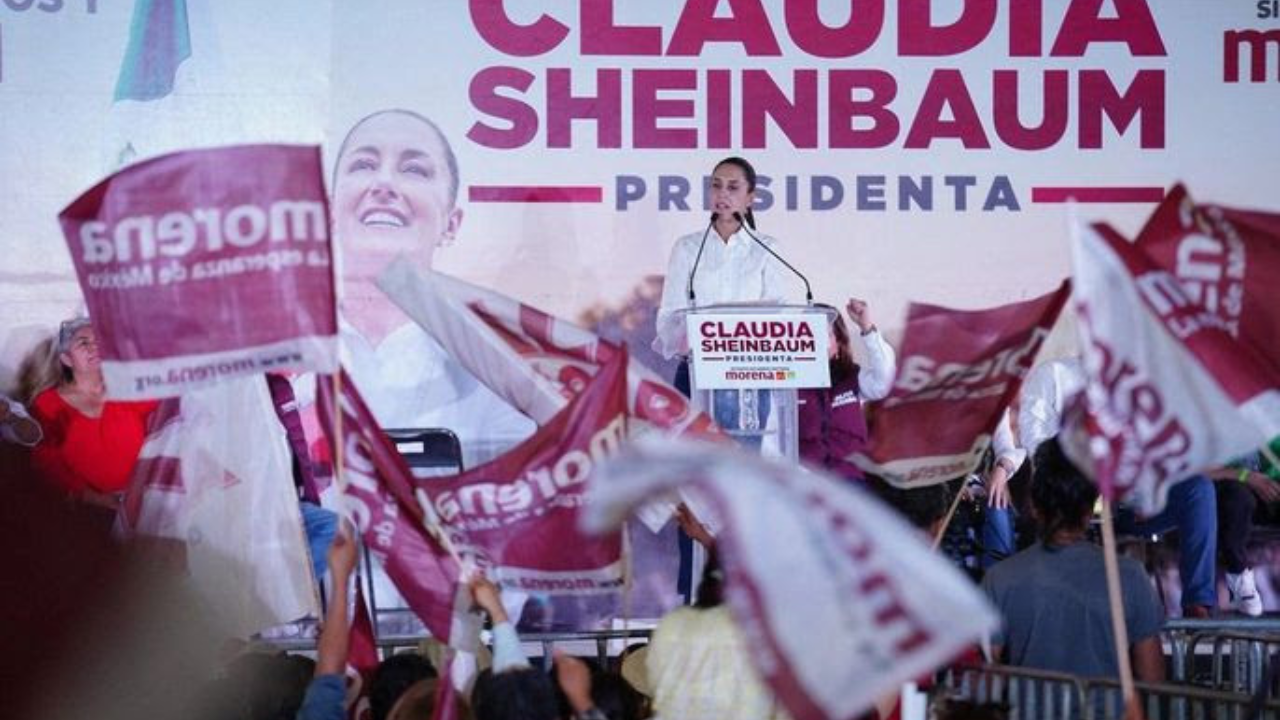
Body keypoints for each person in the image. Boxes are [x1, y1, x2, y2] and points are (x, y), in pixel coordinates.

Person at [319, 108, 534, 466]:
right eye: (364, 165)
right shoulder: (280, 354)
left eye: (414, 170)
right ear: (329, 212)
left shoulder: (495, 370)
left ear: (451, 224)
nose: (383, 183)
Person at [1015, 355, 1219, 617]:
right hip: (1074, 497)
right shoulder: (1054, 374)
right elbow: (1034, 440)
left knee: (1198, 489)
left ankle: (1197, 603)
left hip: (1131, 502)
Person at [981, 439, 1165, 682]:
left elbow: (985, 680)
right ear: (1090, 509)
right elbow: (1153, 679)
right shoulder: (1130, 576)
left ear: (1034, 505)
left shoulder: (999, 579)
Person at [29, 317, 158, 509]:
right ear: (66, 359)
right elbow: (46, 462)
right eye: (83, 343)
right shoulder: (49, 403)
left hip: (146, 497)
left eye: (99, 341)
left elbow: (167, 403)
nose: (94, 347)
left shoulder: (126, 390)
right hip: (89, 509)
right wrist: (94, 498)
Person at [796, 299, 896, 482]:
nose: (817, 343)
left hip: (849, 481)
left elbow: (885, 382)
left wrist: (867, 328)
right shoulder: (787, 384)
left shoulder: (852, 377)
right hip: (805, 483)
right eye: (811, 336)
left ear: (838, 342)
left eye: (825, 335)